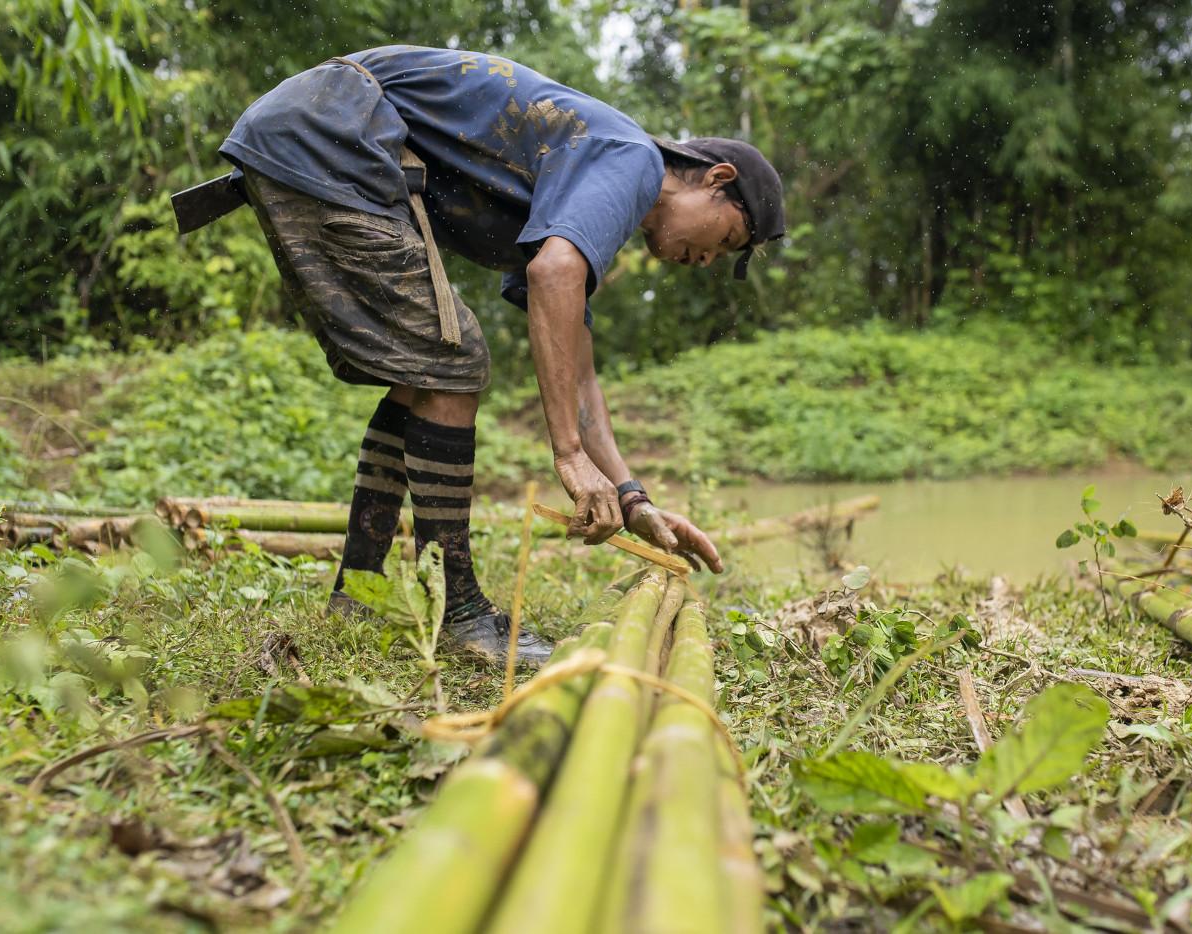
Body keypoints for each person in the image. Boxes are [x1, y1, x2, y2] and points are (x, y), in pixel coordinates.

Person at [174, 45, 786, 666]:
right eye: (726, 239)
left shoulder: (592, 184)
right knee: (454, 362)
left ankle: (356, 594)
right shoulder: (633, 161)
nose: (707, 260)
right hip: (332, 134)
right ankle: (460, 614)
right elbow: (553, 274)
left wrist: (633, 500)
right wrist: (567, 457)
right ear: (716, 180)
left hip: (317, 135)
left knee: (430, 370)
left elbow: (578, 372)